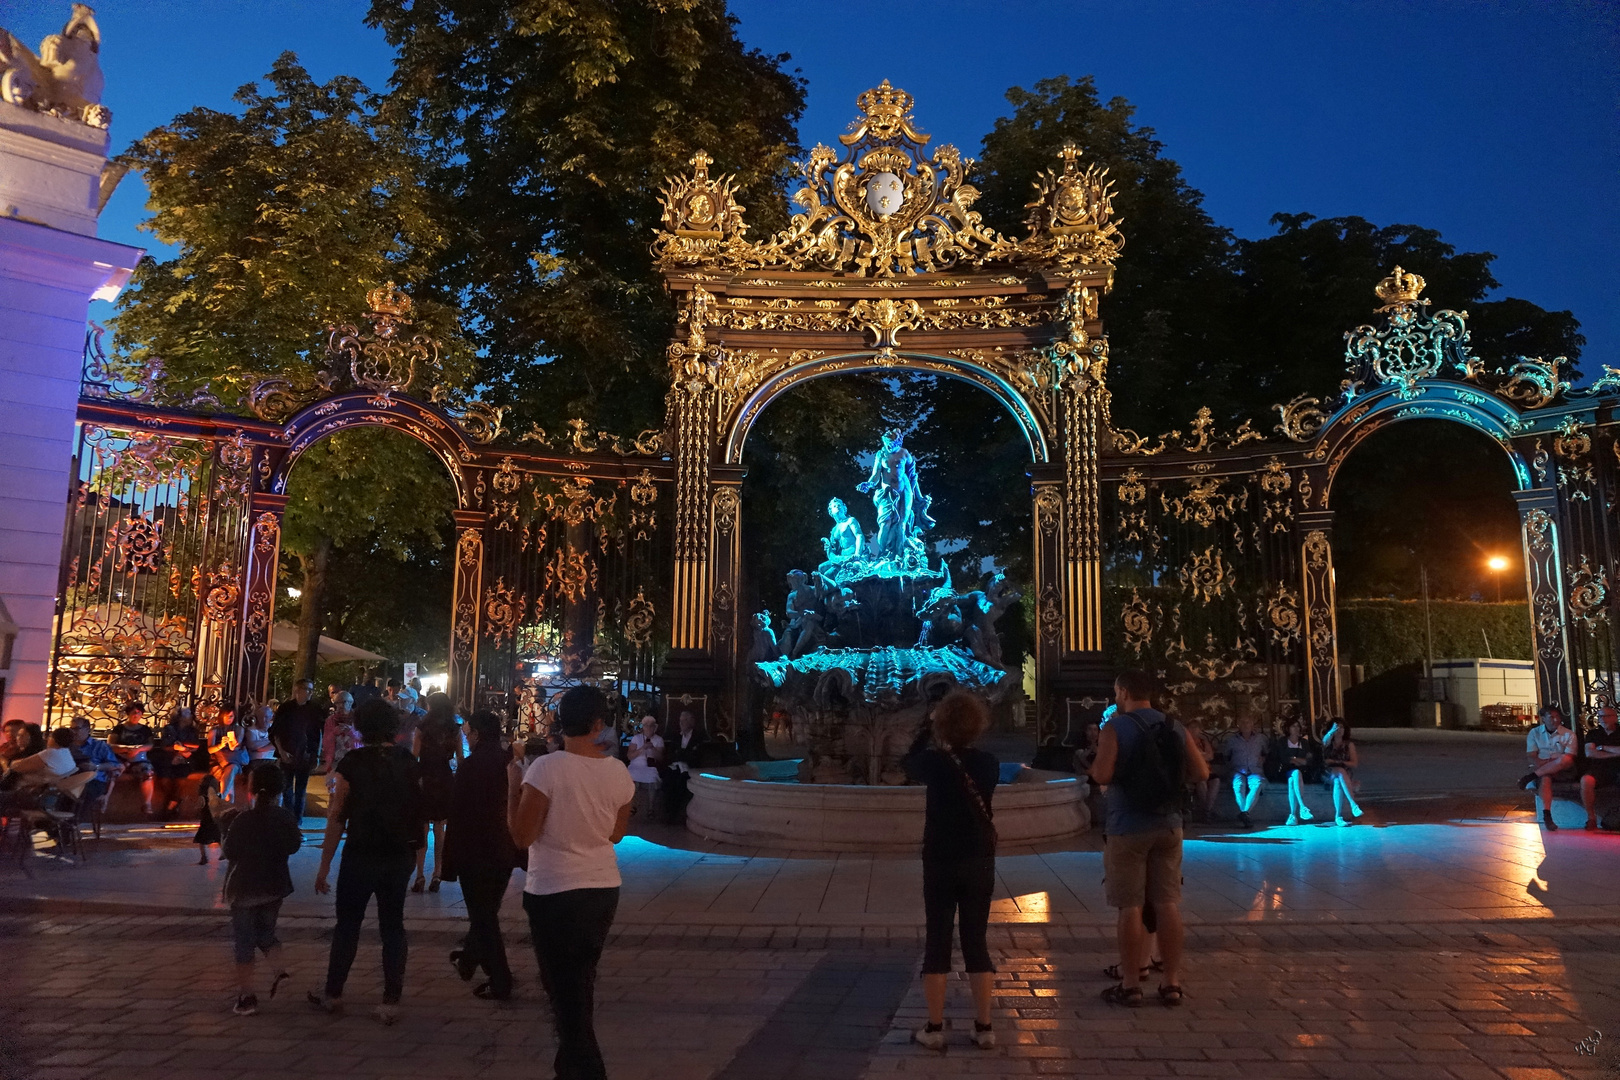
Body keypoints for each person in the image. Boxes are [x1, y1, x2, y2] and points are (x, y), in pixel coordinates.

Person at [507, 685, 634, 1080]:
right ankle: (569, 1068)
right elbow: (616, 834)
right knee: (578, 983)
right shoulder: (618, 771)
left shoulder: (547, 767)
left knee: (562, 989)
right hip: (601, 888)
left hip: (554, 890)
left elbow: (522, 836)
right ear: (598, 723)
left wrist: (514, 788)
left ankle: (587, 1071)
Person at [1089, 669, 1209, 1008]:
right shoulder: (1174, 726)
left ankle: (1130, 984)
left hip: (1128, 825)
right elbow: (1201, 772)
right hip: (1169, 823)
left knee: (1130, 905)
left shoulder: (1116, 727)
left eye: (1116, 691)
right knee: (1168, 902)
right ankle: (1171, 982)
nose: (1115, 697)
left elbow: (1101, 774)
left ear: (1125, 691)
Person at [309, 699, 426, 1024]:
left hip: (361, 851)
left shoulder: (353, 762)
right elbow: (418, 811)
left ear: (361, 726)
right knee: (393, 926)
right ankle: (391, 999)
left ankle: (333, 993)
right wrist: (418, 860)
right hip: (397, 853)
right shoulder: (408, 761)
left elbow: (337, 816)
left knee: (347, 925)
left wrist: (324, 865)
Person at [902, 690, 1000, 1051]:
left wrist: (928, 729)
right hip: (979, 859)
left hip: (940, 858)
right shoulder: (989, 763)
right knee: (977, 940)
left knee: (938, 940)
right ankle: (984, 1025)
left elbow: (906, 762)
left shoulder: (932, 764)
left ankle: (935, 1026)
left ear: (942, 724)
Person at [443, 709, 518, 1000]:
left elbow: (459, 814)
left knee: (483, 916)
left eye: (468, 730)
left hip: (476, 851)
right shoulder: (508, 762)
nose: (465, 735)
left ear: (477, 734)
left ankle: (501, 980)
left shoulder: (471, 767)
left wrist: (450, 860)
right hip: (503, 848)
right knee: (486, 913)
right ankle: (470, 959)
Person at [223, 762, 301, 1016]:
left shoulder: (241, 819)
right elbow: (293, 846)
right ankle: (280, 970)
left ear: (252, 789)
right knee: (266, 932)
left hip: (244, 887)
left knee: (244, 941)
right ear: (281, 789)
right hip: (275, 884)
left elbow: (229, 851)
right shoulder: (285, 818)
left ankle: (246, 995)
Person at [412, 692, 460, 893]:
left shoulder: (422, 728)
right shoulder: (454, 729)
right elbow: (461, 759)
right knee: (440, 829)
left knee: (422, 828)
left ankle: (419, 874)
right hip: (444, 778)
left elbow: (414, 756)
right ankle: (437, 874)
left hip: (425, 777)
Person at [270, 680, 325, 820]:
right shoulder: (286, 708)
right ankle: (289, 818)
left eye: (311, 690)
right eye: (307, 689)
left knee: (301, 790)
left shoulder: (314, 709)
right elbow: (276, 731)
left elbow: (319, 733)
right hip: (288, 753)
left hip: (306, 754)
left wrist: (316, 755)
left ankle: (297, 821)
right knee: (287, 788)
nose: (310, 693)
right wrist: (281, 751)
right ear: (297, 690)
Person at [1522, 705, 1576, 831]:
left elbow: (1569, 757)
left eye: (1557, 717)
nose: (1555, 720)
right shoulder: (1534, 733)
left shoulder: (1569, 734)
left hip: (1563, 768)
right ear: (1543, 719)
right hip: (1542, 766)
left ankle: (1530, 777)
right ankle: (1547, 814)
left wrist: (1551, 762)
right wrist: (1543, 763)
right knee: (1545, 778)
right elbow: (1532, 755)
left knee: (1564, 759)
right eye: (1551, 717)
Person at [152, 707, 201, 820]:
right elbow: (166, 745)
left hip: (185, 759)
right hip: (169, 759)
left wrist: (182, 751)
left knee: (181, 777)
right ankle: (174, 801)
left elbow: (195, 746)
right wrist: (176, 751)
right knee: (165, 777)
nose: (190, 716)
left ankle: (172, 804)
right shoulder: (169, 729)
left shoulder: (192, 730)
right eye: (187, 714)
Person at [108, 703, 157, 815]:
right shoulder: (119, 729)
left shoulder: (145, 730)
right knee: (112, 773)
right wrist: (126, 749)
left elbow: (150, 745)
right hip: (121, 758)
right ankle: (105, 800)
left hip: (139, 760)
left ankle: (147, 804)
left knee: (147, 773)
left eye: (139, 713)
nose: (136, 715)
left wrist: (138, 749)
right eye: (134, 712)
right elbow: (111, 745)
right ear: (128, 714)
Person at [1581, 704, 1620, 831]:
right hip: (1599, 769)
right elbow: (1590, 753)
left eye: (1606, 716)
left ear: (1615, 718)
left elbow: (1596, 751)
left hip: (1618, 768)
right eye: (1600, 716)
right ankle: (1591, 818)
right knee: (1586, 780)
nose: (1602, 719)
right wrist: (1614, 753)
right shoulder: (1593, 734)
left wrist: (1602, 747)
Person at [68, 716, 123, 807]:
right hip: (72, 778)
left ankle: (73, 818)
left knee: (83, 791)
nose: (73, 732)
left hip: (94, 781)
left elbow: (115, 764)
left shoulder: (99, 745)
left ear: (87, 729)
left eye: (77, 729)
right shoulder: (68, 746)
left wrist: (96, 766)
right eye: (71, 729)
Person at [1225, 715, 1268, 828]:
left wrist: (1263, 759)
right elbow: (1226, 756)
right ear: (1238, 725)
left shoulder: (1260, 738)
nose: (1245, 725)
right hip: (1238, 770)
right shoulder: (1232, 740)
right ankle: (1246, 815)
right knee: (1238, 786)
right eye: (1242, 722)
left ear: (1252, 724)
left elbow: (1267, 753)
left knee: (1257, 784)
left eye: (1248, 722)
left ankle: (1245, 813)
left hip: (1255, 770)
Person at [1320, 718, 1363, 826]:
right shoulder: (1328, 742)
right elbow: (1324, 742)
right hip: (1328, 772)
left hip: (1343, 774)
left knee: (1338, 780)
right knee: (1339, 772)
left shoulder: (1349, 745)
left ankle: (1338, 816)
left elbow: (1354, 763)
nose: (1339, 730)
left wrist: (1337, 761)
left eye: (1341, 727)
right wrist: (1331, 732)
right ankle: (1353, 805)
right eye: (1337, 727)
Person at [3, 727, 77, 788]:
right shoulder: (66, 752)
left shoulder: (50, 753)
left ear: (53, 739)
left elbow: (16, 767)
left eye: (50, 736)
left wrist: (3, 760)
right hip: (49, 791)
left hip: (28, 790)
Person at [1277, 719, 1316, 826]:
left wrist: (1294, 759)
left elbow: (1308, 760)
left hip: (1302, 772)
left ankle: (1292, 815)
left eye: (1297, 726)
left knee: (1293, 780)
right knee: (1295, 774)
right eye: (1293, 726)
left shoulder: (1304, 742)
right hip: (1285, 771)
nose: (1296, 728)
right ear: (1288, 728)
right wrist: (1298, 760)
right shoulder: (1282, 742)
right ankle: (1302, 807)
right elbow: (1284, 759)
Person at [626, 716, 663, 820]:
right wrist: (642, 748)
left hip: (650, 766)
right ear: (643, 727)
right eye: (647, 726)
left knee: (652, 777)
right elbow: (629, 756)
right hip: (636, 765)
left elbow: (660, 758)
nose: (649, 728)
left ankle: (650, 808)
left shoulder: (658, 739)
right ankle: (632, 806)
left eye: (651, 726)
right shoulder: (636, 738)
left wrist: (652, 748)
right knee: (632, 776)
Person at [1184, 718, 1220, 822]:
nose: (1194, 730)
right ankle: (1208, 812)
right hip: (1193, 772)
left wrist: (1197, 755)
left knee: (1216, 781)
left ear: (1200, 730)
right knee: (1202, 783)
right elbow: (1188, 757)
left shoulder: (1204, 742)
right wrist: (1201, 755)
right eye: (1192, 727)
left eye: (1196, 727)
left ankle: (1206, 811)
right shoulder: (1185, 741)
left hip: (1207, 770)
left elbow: (1210, 756)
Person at [323, 694, 358, 796]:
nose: (340, 706)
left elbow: (364, 740)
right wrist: (334, 733)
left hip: (354, 763)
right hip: (335, 763)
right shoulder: (331, 720)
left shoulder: (358, 719)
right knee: (334, 795)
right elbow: (325, 742)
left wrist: (352, 733)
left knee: (352, 795)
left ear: (351, 703)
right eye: (337, 703)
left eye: (343, 702)